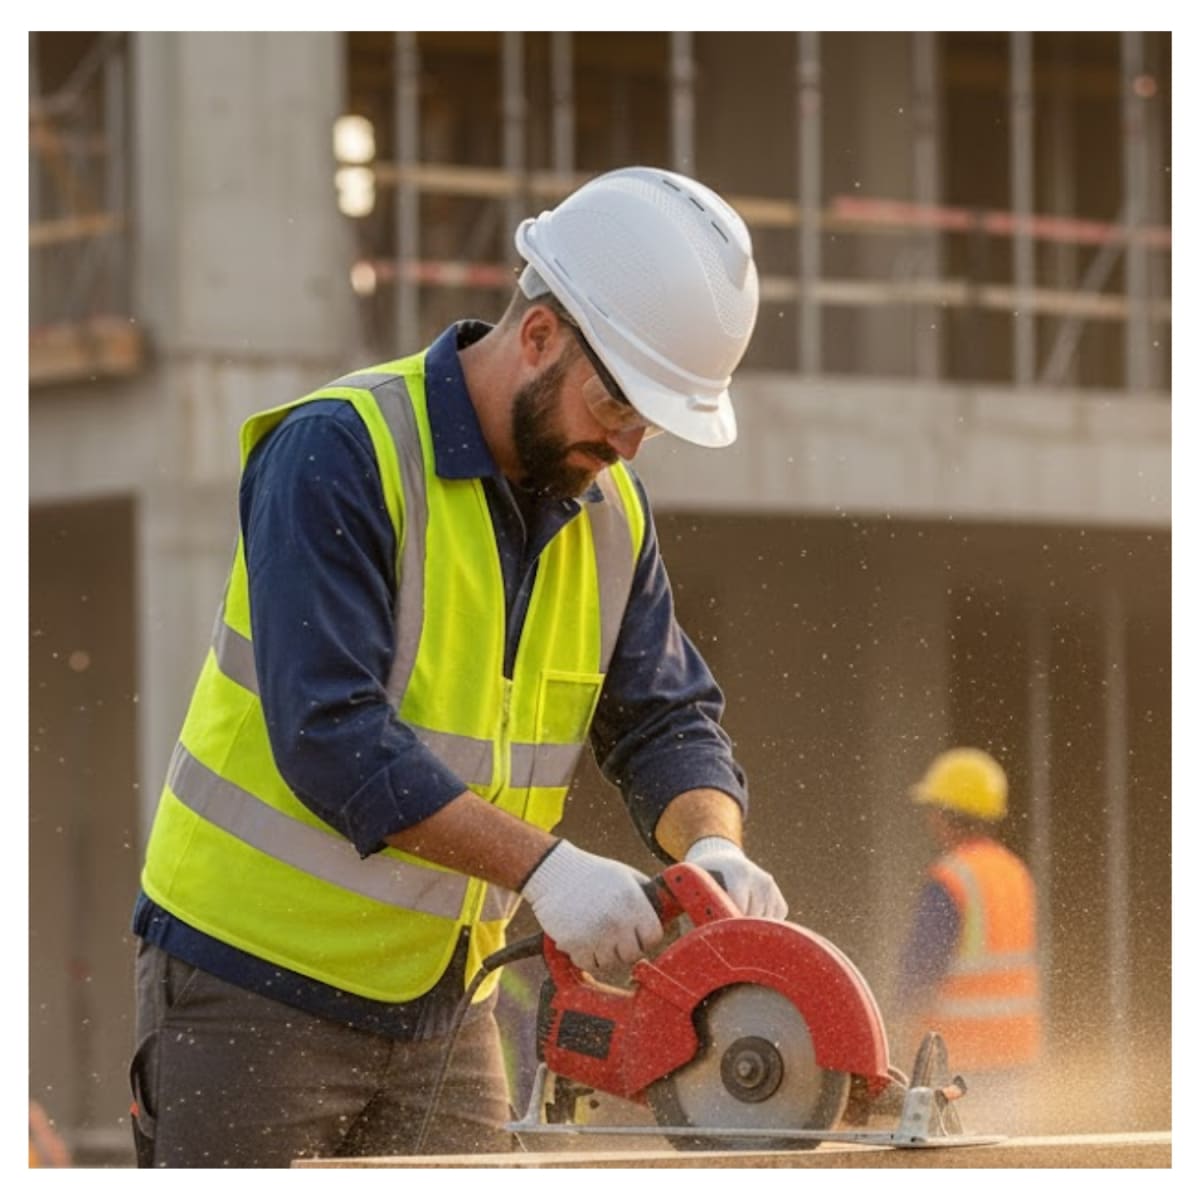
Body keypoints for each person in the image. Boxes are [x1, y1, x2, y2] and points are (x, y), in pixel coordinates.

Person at [128, 166, 786, 1167]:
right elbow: (332, 737)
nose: (629, 442)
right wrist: (548, 871)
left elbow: (666, 721)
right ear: (537, 339)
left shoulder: (610, 510)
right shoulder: (339, 452)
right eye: (617, 405)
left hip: (443, 1008)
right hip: (249, 991)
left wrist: (711, 849)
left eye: (651, 421)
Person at [892, 747, 1043, 1134]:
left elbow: (920, 972)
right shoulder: (1013, 871)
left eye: (934, 809)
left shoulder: (951, 879)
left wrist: (894, 1027)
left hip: (961, 1062)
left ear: (947, 814)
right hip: (1015, 1055)